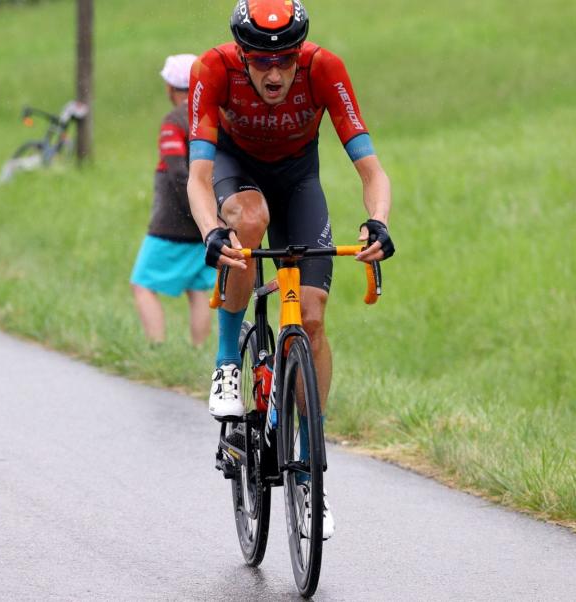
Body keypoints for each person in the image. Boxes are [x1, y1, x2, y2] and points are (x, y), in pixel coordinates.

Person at [188, 0, 396, 538]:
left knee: (313, 316)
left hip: (300, 181)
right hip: (238, 178)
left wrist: (377, 222)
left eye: (285, 59)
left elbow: (371, 170)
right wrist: (214, 229)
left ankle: (310, 470)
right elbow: (198, 175)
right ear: (242, 54)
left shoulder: (325, 68)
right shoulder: (212, 70)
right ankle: (228, 363)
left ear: (300, 53)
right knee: (249, 222)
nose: (275, 72)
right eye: (261, 61)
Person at [130, 54, 215, 347]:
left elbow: (179, 173)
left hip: (172, 221)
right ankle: (199, 349)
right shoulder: (211, 118)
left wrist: (191, 208)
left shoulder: (173, 122)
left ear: (171, 87)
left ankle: (156, 347)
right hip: (207, 221)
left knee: (141, 283)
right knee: (197, 287)